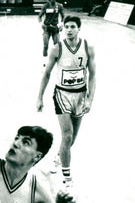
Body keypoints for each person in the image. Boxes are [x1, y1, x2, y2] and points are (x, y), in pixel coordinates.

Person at [35, 15, 97, 188]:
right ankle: (67, 177)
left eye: (72, 27)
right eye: (66, 27)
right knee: (67, 135)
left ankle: (57, 158)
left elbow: (93, 76)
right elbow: (46, 74)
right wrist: (39, 97)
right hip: (62, 95)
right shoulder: (56, 49)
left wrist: (90, 99)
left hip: (80, 95)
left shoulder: (88, 48)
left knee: (72, 139)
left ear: (79, 29)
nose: (69, 30)